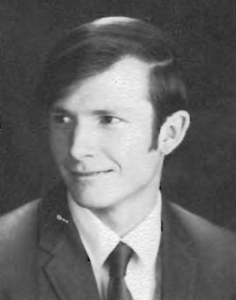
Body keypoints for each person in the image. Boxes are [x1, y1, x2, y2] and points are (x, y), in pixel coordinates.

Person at [0, 16, 236, 300]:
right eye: (63, 119)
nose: (76, 149)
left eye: (108, 119)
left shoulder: (226, 260)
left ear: (170, 133)